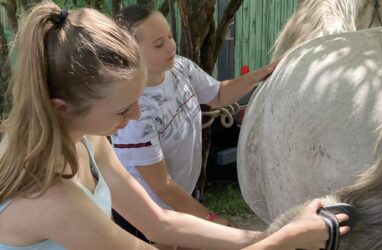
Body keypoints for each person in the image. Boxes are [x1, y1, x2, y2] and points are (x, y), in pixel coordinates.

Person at [0, 2, 349, 249]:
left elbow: (160, 223)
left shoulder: (89, 140)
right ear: (62, 108)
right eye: (122, 109)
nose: (136, 116)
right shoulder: (49, 197)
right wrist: (287, 239)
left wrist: (269, 236)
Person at [109, 5, 275, 241]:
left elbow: (218, 95)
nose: (171, 46)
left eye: (169, 36)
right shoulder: (135, 113)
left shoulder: (180, 67)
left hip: (183, 197)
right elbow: (162, 186)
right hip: (151, 217)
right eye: (159, 43)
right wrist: (210, 219)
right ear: (130, 52)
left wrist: (264, 72)